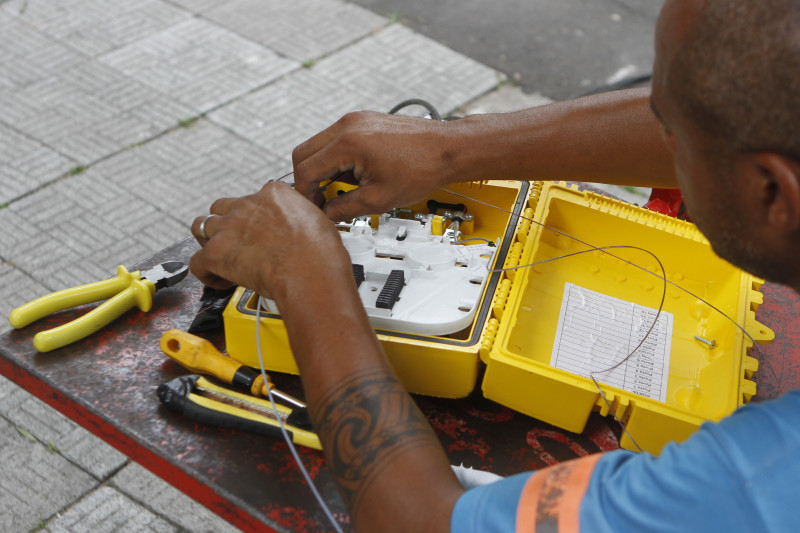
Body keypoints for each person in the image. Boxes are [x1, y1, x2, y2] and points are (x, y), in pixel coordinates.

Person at [189, 0, 800, 530]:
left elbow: (416, 522)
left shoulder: (761, 481)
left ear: (774, 192)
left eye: (670, 134)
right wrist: (452, 147)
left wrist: (308, 282)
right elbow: (725, 112)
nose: (660, 143)